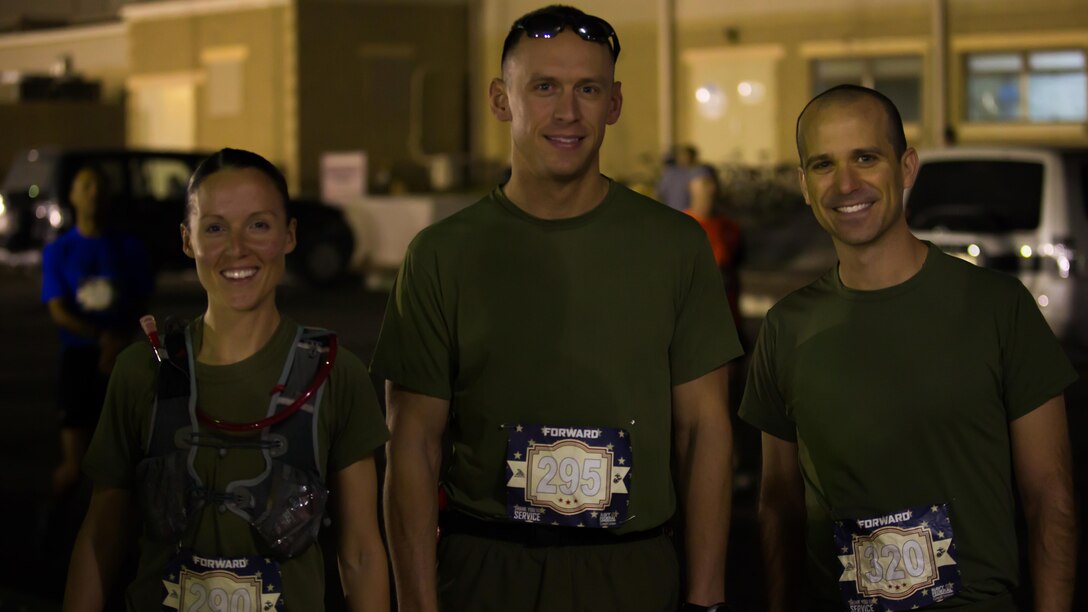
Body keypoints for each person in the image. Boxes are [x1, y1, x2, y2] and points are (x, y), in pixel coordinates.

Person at [372, 5, 742, 612]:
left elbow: (703, 432)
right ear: (501, 99)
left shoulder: (674, 245)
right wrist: (416, 602)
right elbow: (411, 444)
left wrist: (706, 598)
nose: (567, 112)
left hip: (635, 571)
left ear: (614, 104)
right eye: (544, 87)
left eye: (587, 89)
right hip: (485, 573)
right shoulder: (441, 254)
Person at [740, 84, 1078, 612]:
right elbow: (777, 505)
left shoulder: (997, 307)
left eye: (866, 158)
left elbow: (1050, 495)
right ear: (805, 186)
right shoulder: (787, 327)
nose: (846, 183)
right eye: (824, 165)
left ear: (906, 167)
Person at [63, 148, 390, 612]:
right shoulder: (142, 373)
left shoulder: (335, 375)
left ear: (289, 235)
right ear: (187, 239)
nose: (237, 248)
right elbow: (100, 538)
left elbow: (360, 554)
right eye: (215, 228)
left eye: (258, 225)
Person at [41, 165, 152, 498]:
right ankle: (52, 529)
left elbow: (140, 302)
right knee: (74, 467)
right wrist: (98, 336)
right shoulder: (59, 251)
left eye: (99, 186)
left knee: (121, 470)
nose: (93, 193)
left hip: (120, 358)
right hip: (78, 359)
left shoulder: (129, 248)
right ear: (73, 196)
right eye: (85, 186)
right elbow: (58, 309)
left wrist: (119, 339)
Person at [656, 144, 711, 211]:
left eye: (686, 155)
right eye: (682, 155)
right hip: (675, 213)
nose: (684, 158)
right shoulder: (670, 174)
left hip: (690, 214)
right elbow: (661, 193)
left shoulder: (700, 172)